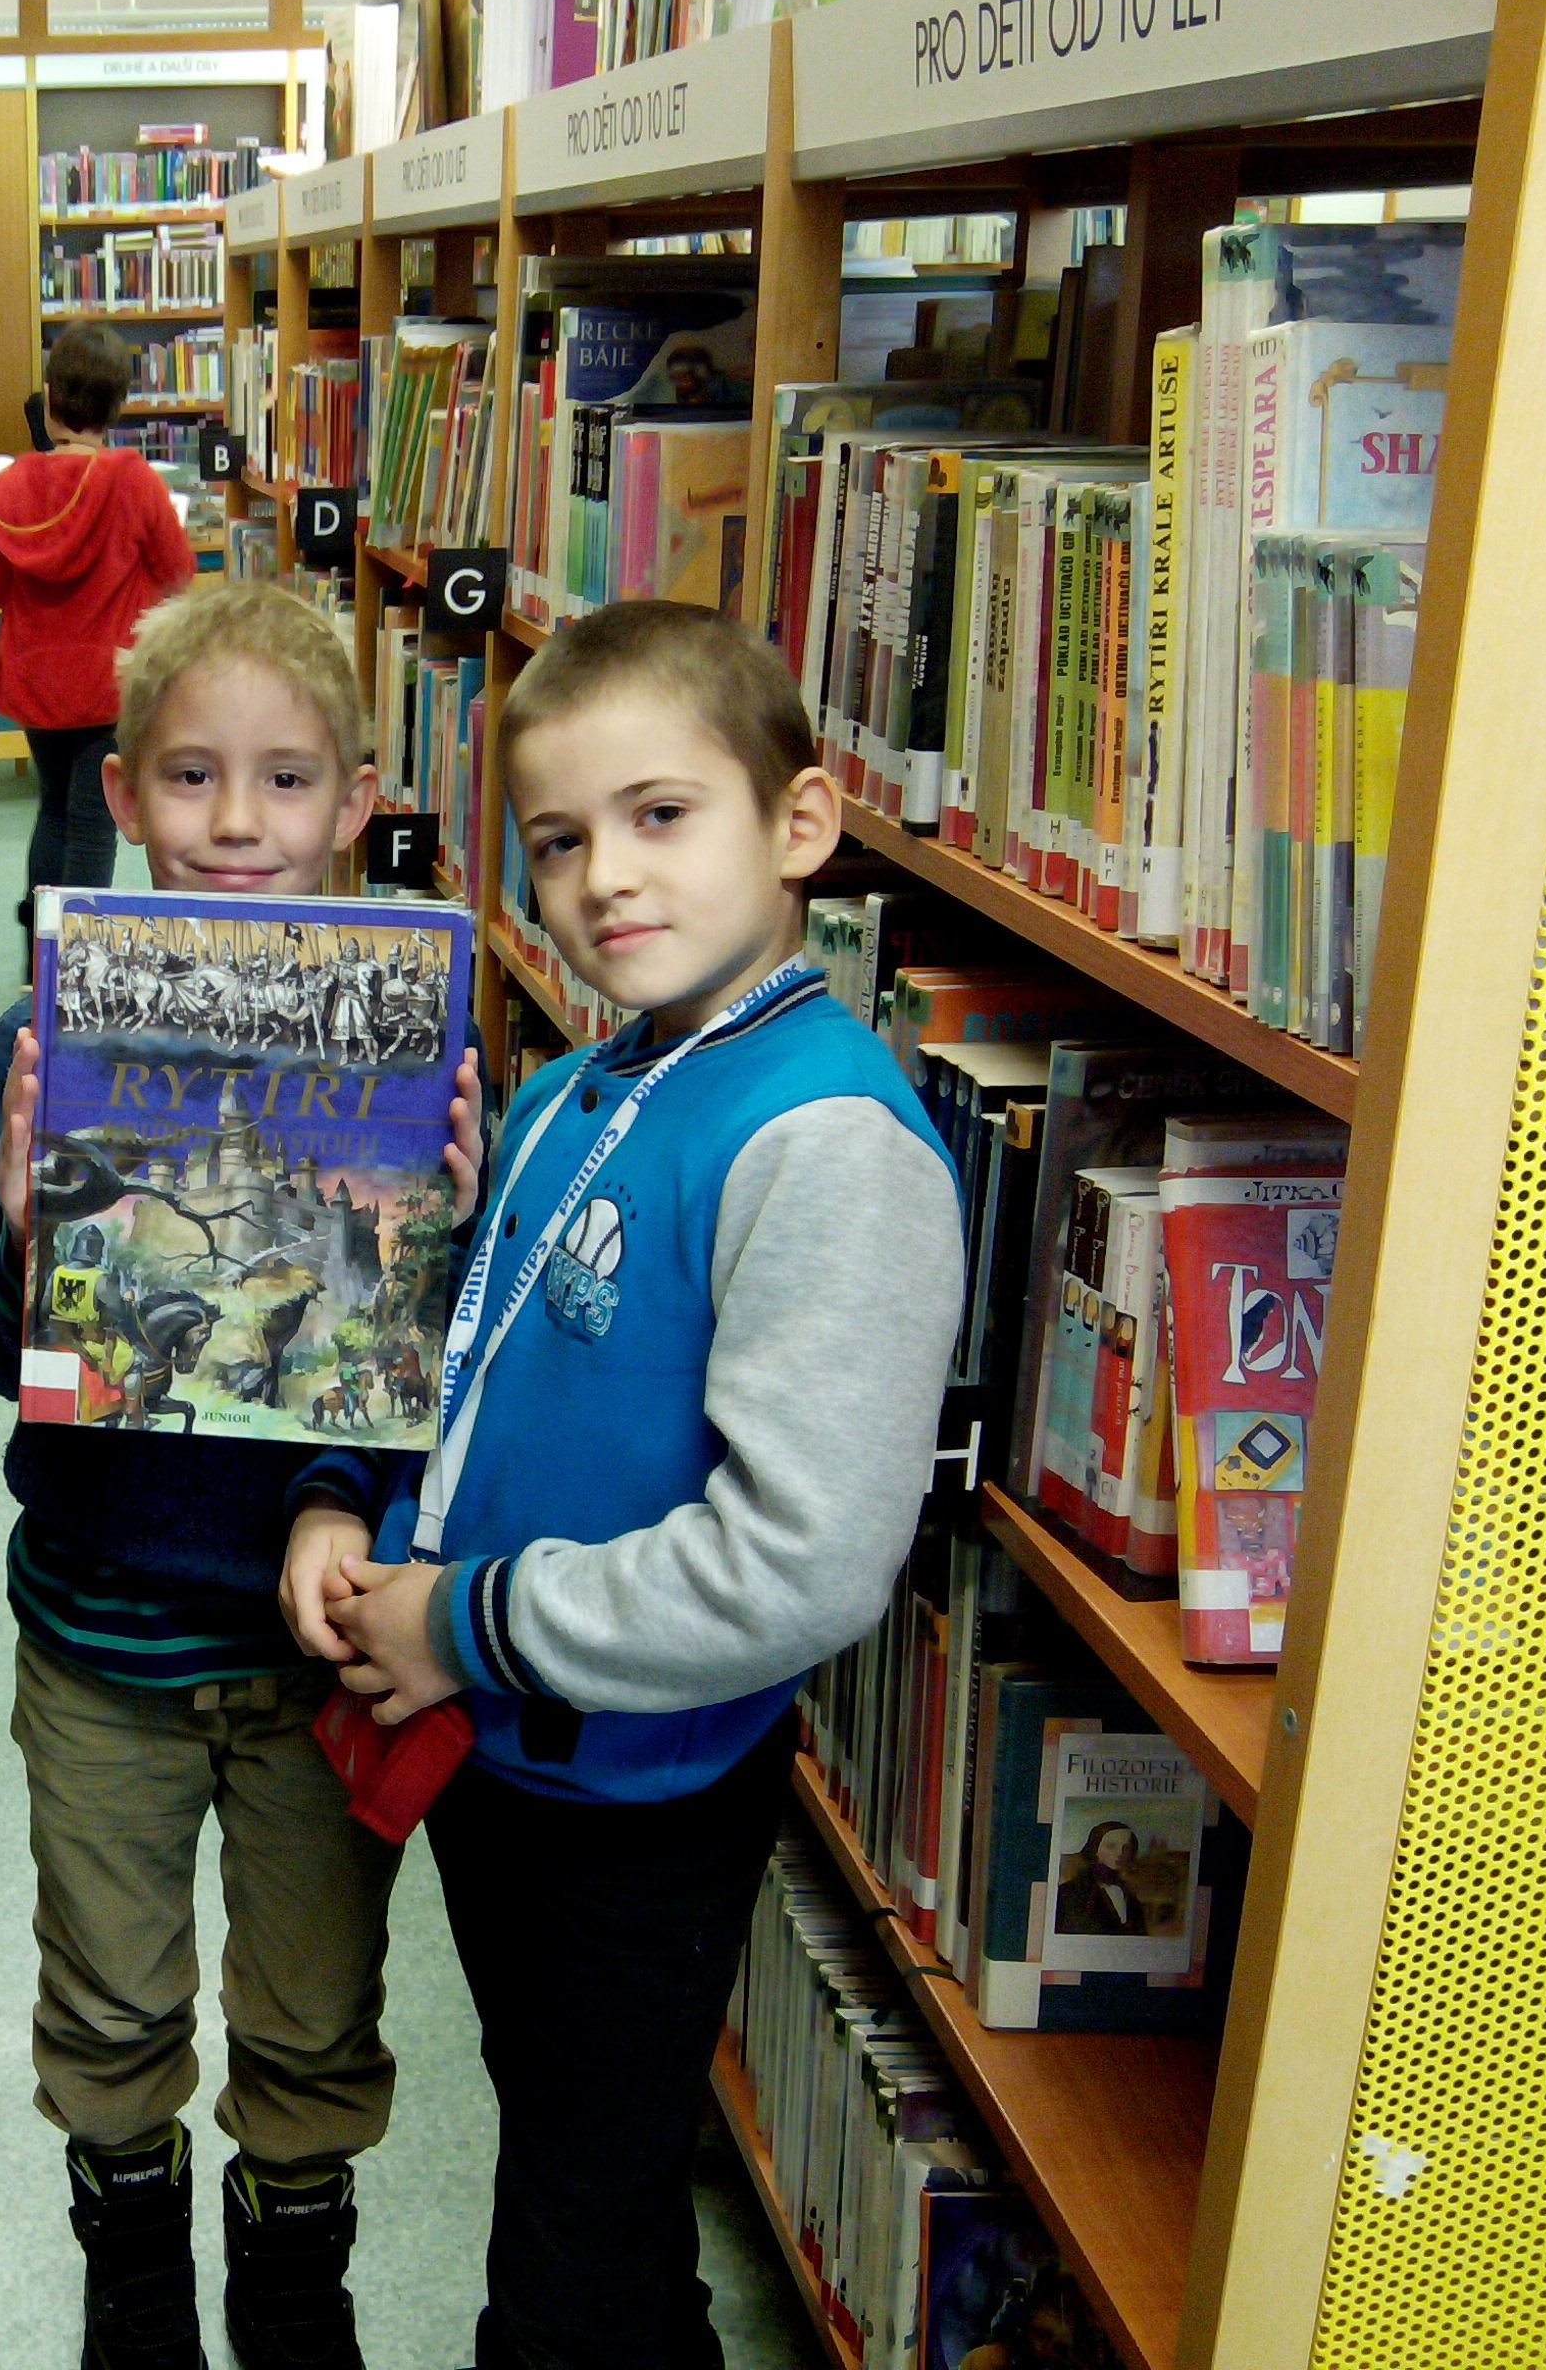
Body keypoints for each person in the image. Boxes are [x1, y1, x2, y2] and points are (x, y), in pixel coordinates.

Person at [292, 598, 962, 2370]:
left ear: (796, 824)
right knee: (589, 2175)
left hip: (632, 1800)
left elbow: (800, 1563)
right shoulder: (585, 1083)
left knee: (566, 2257)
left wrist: (464, 1619)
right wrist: (362, 1516)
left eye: (660, 815)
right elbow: (484, 1362)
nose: (604, 878)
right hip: (506, 1753)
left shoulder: (822, 1143)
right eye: (558, 840)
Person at [0, 581, 485, 2370]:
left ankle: (293, 2270)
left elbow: (430, 1373)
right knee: (108, 1989)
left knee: (314, 2002)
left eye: (284, 778)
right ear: (118, 791)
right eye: (190, 776)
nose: (236, 820)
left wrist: (446, 1222)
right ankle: (128, 2267)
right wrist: (28, 1236)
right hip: (101, 1633)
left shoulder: (414, 1035)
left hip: (320, 1646)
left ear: (357, 801)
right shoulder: (43, 1034)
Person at [0, 321, 197, 924]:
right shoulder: (132, 480)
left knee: (53, 811)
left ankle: (40, 953)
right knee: (93, 823)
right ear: (118, 405)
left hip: (35, 683)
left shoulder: (10, 485)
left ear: (49, 398)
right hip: (109, 685)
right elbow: (179, 573)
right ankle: (78, 957)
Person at [1051, 1822, 1147, 1937]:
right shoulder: (1069, 1892)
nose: (1120, 1853)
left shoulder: (1134, 1893)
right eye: (1111, 1846)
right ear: (1095, 1849)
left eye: (1126, 1847)